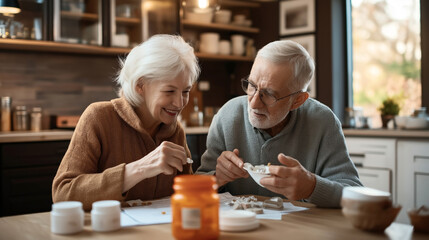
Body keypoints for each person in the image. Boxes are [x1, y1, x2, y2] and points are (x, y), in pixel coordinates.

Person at [196, 40, 362, 208]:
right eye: (251, 86)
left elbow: (355, 194)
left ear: (297, 100)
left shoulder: (323, 121)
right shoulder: (228, 115)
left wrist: (312, 187)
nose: (253, 104)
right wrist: (217, 178)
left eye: (268, 94)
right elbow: (194, 187)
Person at [52, 34, 200, 210]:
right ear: (140, 86)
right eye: (169, 91)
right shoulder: (99, 118)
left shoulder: (175, 131)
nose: (180, 103)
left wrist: (218, 177)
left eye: (185, 91)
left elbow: (186, 194)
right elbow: (63, 194)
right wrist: (139, 169)